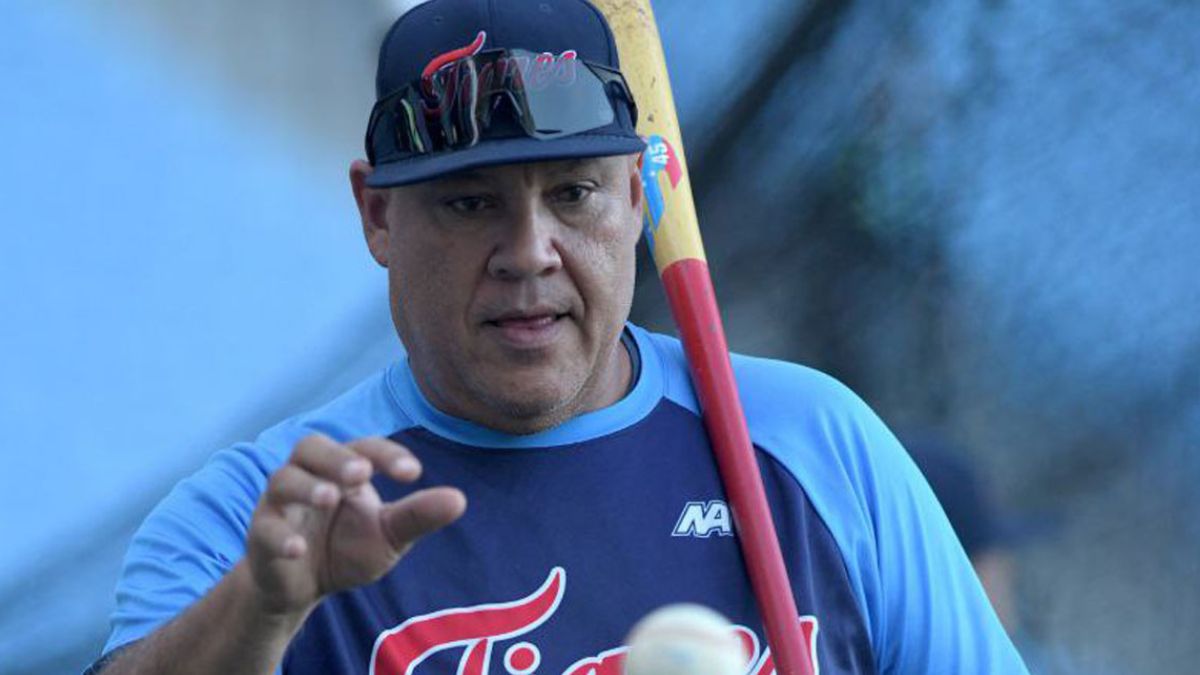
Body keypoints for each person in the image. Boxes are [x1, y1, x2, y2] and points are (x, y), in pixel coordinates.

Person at [88, 0, 1027, 673]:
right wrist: (264, 608)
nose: (528, 252)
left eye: (571, 193)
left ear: (635, 196)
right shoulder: (257, 523)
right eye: (469, 203)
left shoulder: (815, 445)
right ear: (376, 217)